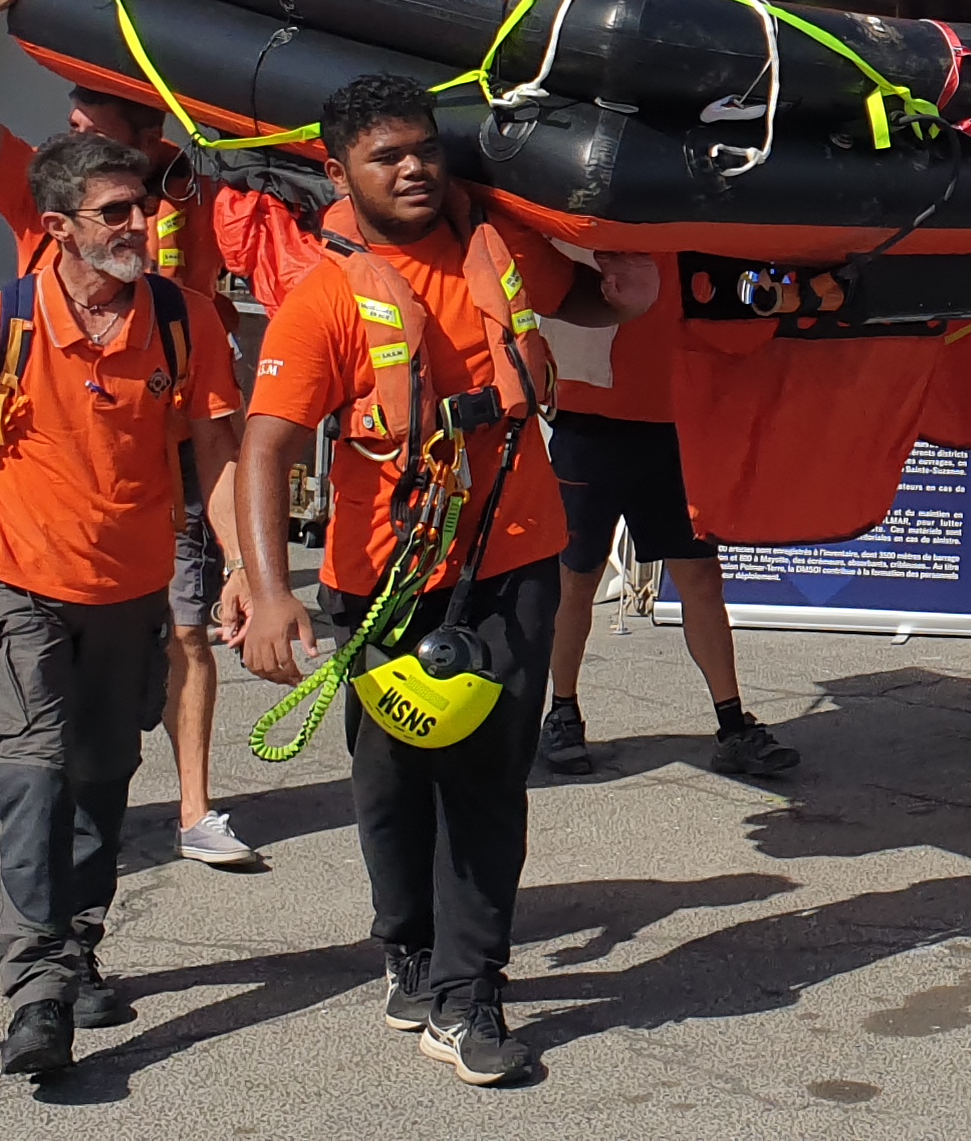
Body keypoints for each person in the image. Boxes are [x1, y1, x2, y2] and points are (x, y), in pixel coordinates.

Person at [224, 76, 659, 1087]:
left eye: (424, 148)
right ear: (338, 172)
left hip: (510, 561)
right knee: (389, 786)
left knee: (484, 787)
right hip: (383, 580)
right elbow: (266, 445)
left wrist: (618, 294)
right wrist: (268, 586)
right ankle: (408, 949)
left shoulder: (495, 244)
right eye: (386, 157)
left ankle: (471, 991)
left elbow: (574, 296)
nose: (414, 167)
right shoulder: (328, 295)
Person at [0, 132, 243, 1078]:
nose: (142, 225)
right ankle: (37, 988)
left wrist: (246, 567)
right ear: (57, 228)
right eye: (117, 213)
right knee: (33, 778)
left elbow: (215, 454)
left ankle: (79, 943)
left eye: (146, 208)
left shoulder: (183, 320)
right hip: (20, 592)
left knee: (99, 777)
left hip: (131, 597)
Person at [0, 0, 264, 870]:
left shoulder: (194, 198)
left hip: (171, 453)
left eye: (93, 116)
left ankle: (196, 806)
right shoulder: (53, 198)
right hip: (52, 473)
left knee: (190, 629)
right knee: (62, 703)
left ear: (145, 133)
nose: (70, 128)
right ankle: (59, 823)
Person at [533, 305, 798, 781]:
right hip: (587, 420)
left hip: (674, 422)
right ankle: (562, 713)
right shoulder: (593, 233)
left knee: (700, 576)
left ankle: (733, 726)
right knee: (576, 578)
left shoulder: (691, 233)